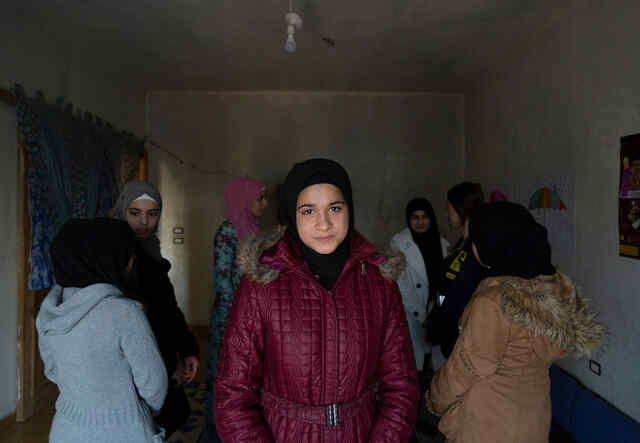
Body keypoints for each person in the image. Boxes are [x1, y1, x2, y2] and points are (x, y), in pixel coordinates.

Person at [214, 158, 420, 442]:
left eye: (335, 208)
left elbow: (401, 387)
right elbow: (233, 395)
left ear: (350, 210)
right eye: (308, 210)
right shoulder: (262, 284)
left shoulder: (379, 282)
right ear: (292, 216)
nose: (324, 223)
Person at [427, 202, 603, 443]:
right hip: (532, 421)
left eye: (476, 240)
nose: (473, 246)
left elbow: (465, 369)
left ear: (494, 245)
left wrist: (434, 397)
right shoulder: (551, 294)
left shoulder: (494, 302)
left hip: (487, 426)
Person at [36, 218, 168, 443]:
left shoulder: (50, 312)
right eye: (127, 254)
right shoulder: (125, 313)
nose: (132, 261)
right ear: (108, 259)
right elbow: (154, 384)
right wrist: (139, 411)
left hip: (66, 429)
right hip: (125, 430)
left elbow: (52, 371)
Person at [114, 180, 200, 438]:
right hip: (133, 358)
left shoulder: (150, 250)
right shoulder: (113, 255)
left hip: (159, 351)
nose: (144, 222)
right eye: (135, 213)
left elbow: (167, 308)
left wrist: (186, 349)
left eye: (152, 214)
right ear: (121, 212)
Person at [199, 177, 268, 443]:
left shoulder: (256, 232)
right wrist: (237, 320)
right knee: (223, 376)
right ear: (243, 199)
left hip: (253, 317)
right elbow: (222, 281)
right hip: (229, 318)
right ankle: (215, 432)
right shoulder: (228, 232)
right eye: (259, 198)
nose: (264, 204)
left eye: (264, 198)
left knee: (247, 378)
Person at [426, 182, 486, 365]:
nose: (447, 214)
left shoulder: (473, 251)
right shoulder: (462, 246)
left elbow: (450, 293)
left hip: (459, 347)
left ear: (459, 209)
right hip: (450, 341)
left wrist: (437, 321)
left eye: (449, 208)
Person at [391, 198, 449, 384]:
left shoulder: (443, 244)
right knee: (413, 368)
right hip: (412, 313)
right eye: (415, 217)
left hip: (437, 308)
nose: (420, 222)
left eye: (425, 217)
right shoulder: (399, 244)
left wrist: (438, 311)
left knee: (439, 371)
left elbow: (445, 285)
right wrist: (423, 316)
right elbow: (402, 286)